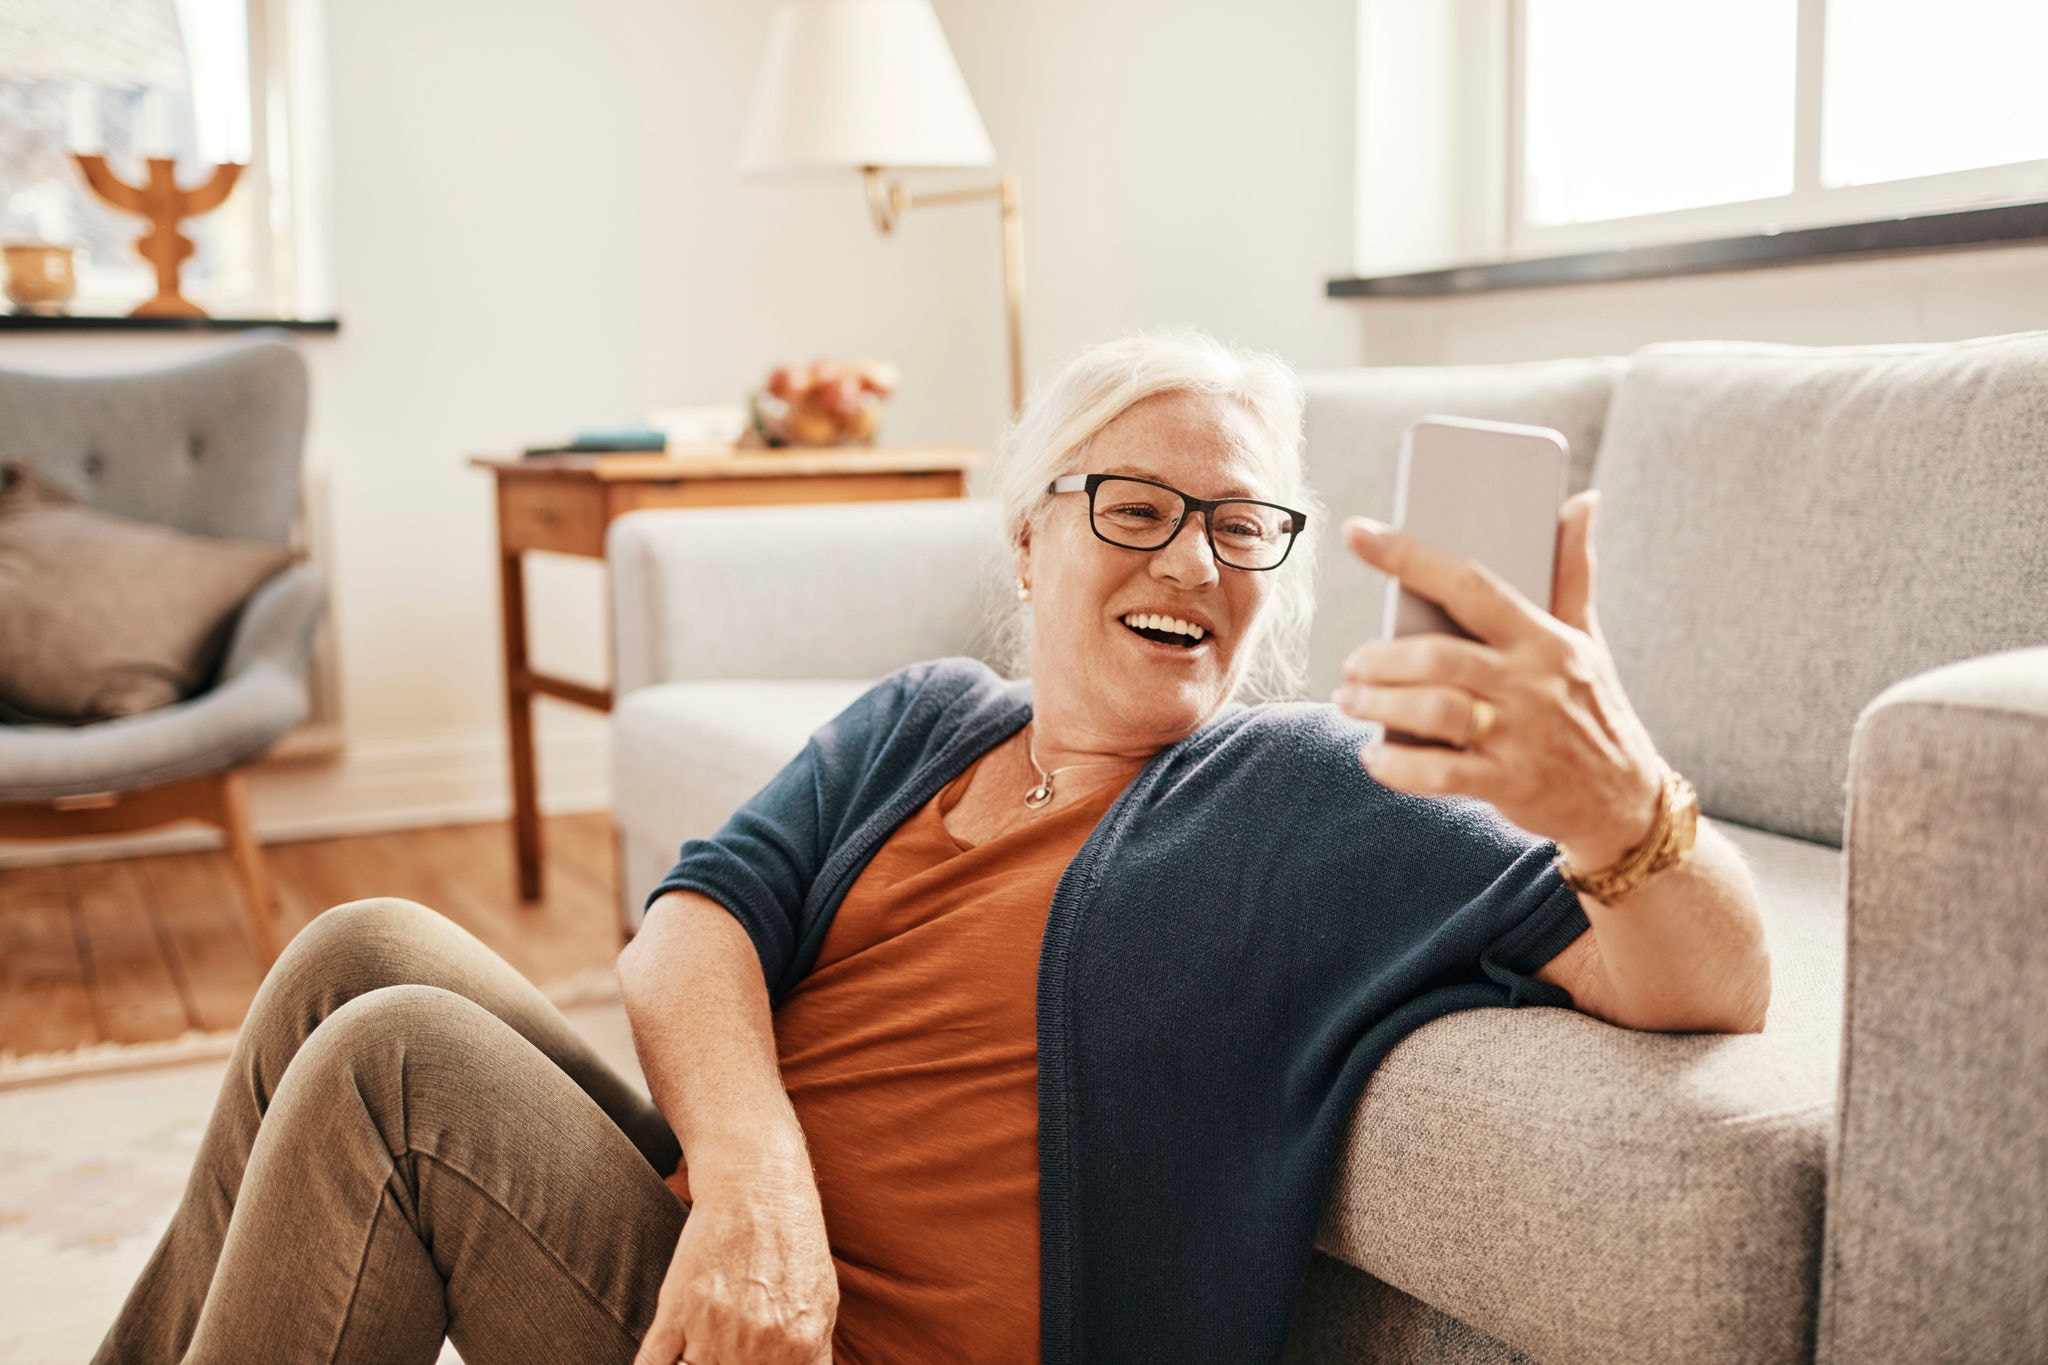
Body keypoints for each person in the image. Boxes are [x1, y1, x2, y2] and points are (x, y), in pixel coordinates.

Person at [94, 331, 1768, 1365]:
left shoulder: (1299, 791)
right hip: (722, 1276)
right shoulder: (924, 719)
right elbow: (692, 923)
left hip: (843, 1351)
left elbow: (1711, 976)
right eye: (1135, 504)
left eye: (1241, 523)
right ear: (1030, 537)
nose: (1194, 553)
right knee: (361, 944)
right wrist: (754, 1181)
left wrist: (1617, 795)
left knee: (400, 1068)